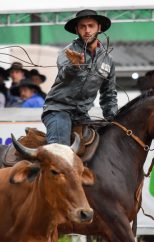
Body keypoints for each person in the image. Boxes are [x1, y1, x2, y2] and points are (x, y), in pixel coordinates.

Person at [42, 9, 118, 145]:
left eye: (91, 26)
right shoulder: (67, 53)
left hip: (82, 115)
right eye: (82, 26)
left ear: (99, 28)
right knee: (60, 151)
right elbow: (64, 74)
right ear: (77, 30)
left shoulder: (108, 59)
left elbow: (109, 94)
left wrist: (115, 120)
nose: (87, 30)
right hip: (58, 109)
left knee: (102, 147)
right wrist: (74, 66)